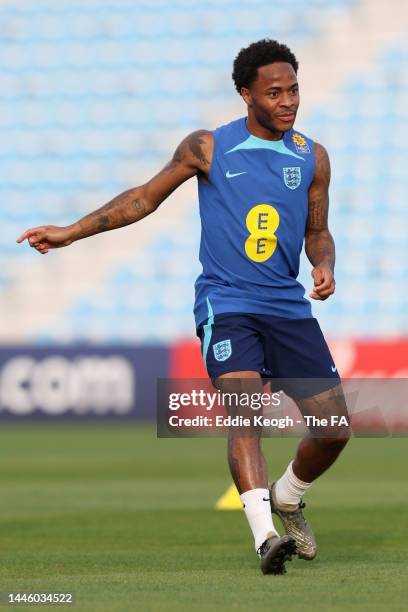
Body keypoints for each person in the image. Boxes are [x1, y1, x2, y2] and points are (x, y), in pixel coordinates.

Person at [17, 39, 350, 575]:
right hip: (228, 303)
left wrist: (324, 264)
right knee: (246, 414)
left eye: (293, 90)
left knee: (334, 428)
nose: (288, 101)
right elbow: (143, 198)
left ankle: (287, 498)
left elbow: (318, 230)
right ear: (246, 95)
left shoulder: (313, 156)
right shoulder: (208, 147)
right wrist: (72, 233)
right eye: (274, 92)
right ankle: (266, 538)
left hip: (287, 308)